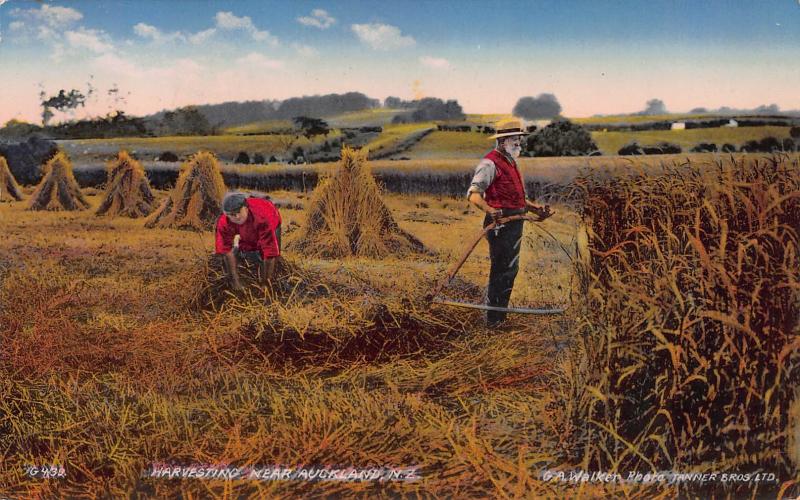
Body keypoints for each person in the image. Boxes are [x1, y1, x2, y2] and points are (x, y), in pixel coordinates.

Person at [467, 118, 552, 327]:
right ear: (502, 141)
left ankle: (499, 317)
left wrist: (535, 209)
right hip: (500, 225)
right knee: (502, 270)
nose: (518, 144)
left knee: (510, 270)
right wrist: (490, 211)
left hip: (515, 222)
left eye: (519, 140)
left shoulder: (511, 162)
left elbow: (518, 199)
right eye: (514, 140)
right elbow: (473, 195)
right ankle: (494, 321)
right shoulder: (489, 163)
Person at [215, 191, 282, 291]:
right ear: (226, 215)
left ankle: (272, 277)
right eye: (232, 214)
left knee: (273, 254)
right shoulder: (224, 223)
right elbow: (225, 251)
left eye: (239, 212)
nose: (237, 216)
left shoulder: (262, 219)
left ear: (246, 208)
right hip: (250, 223)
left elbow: (270, 253)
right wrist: (235, 282)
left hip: (271, 216)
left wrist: (265, 283)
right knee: (248, 246)